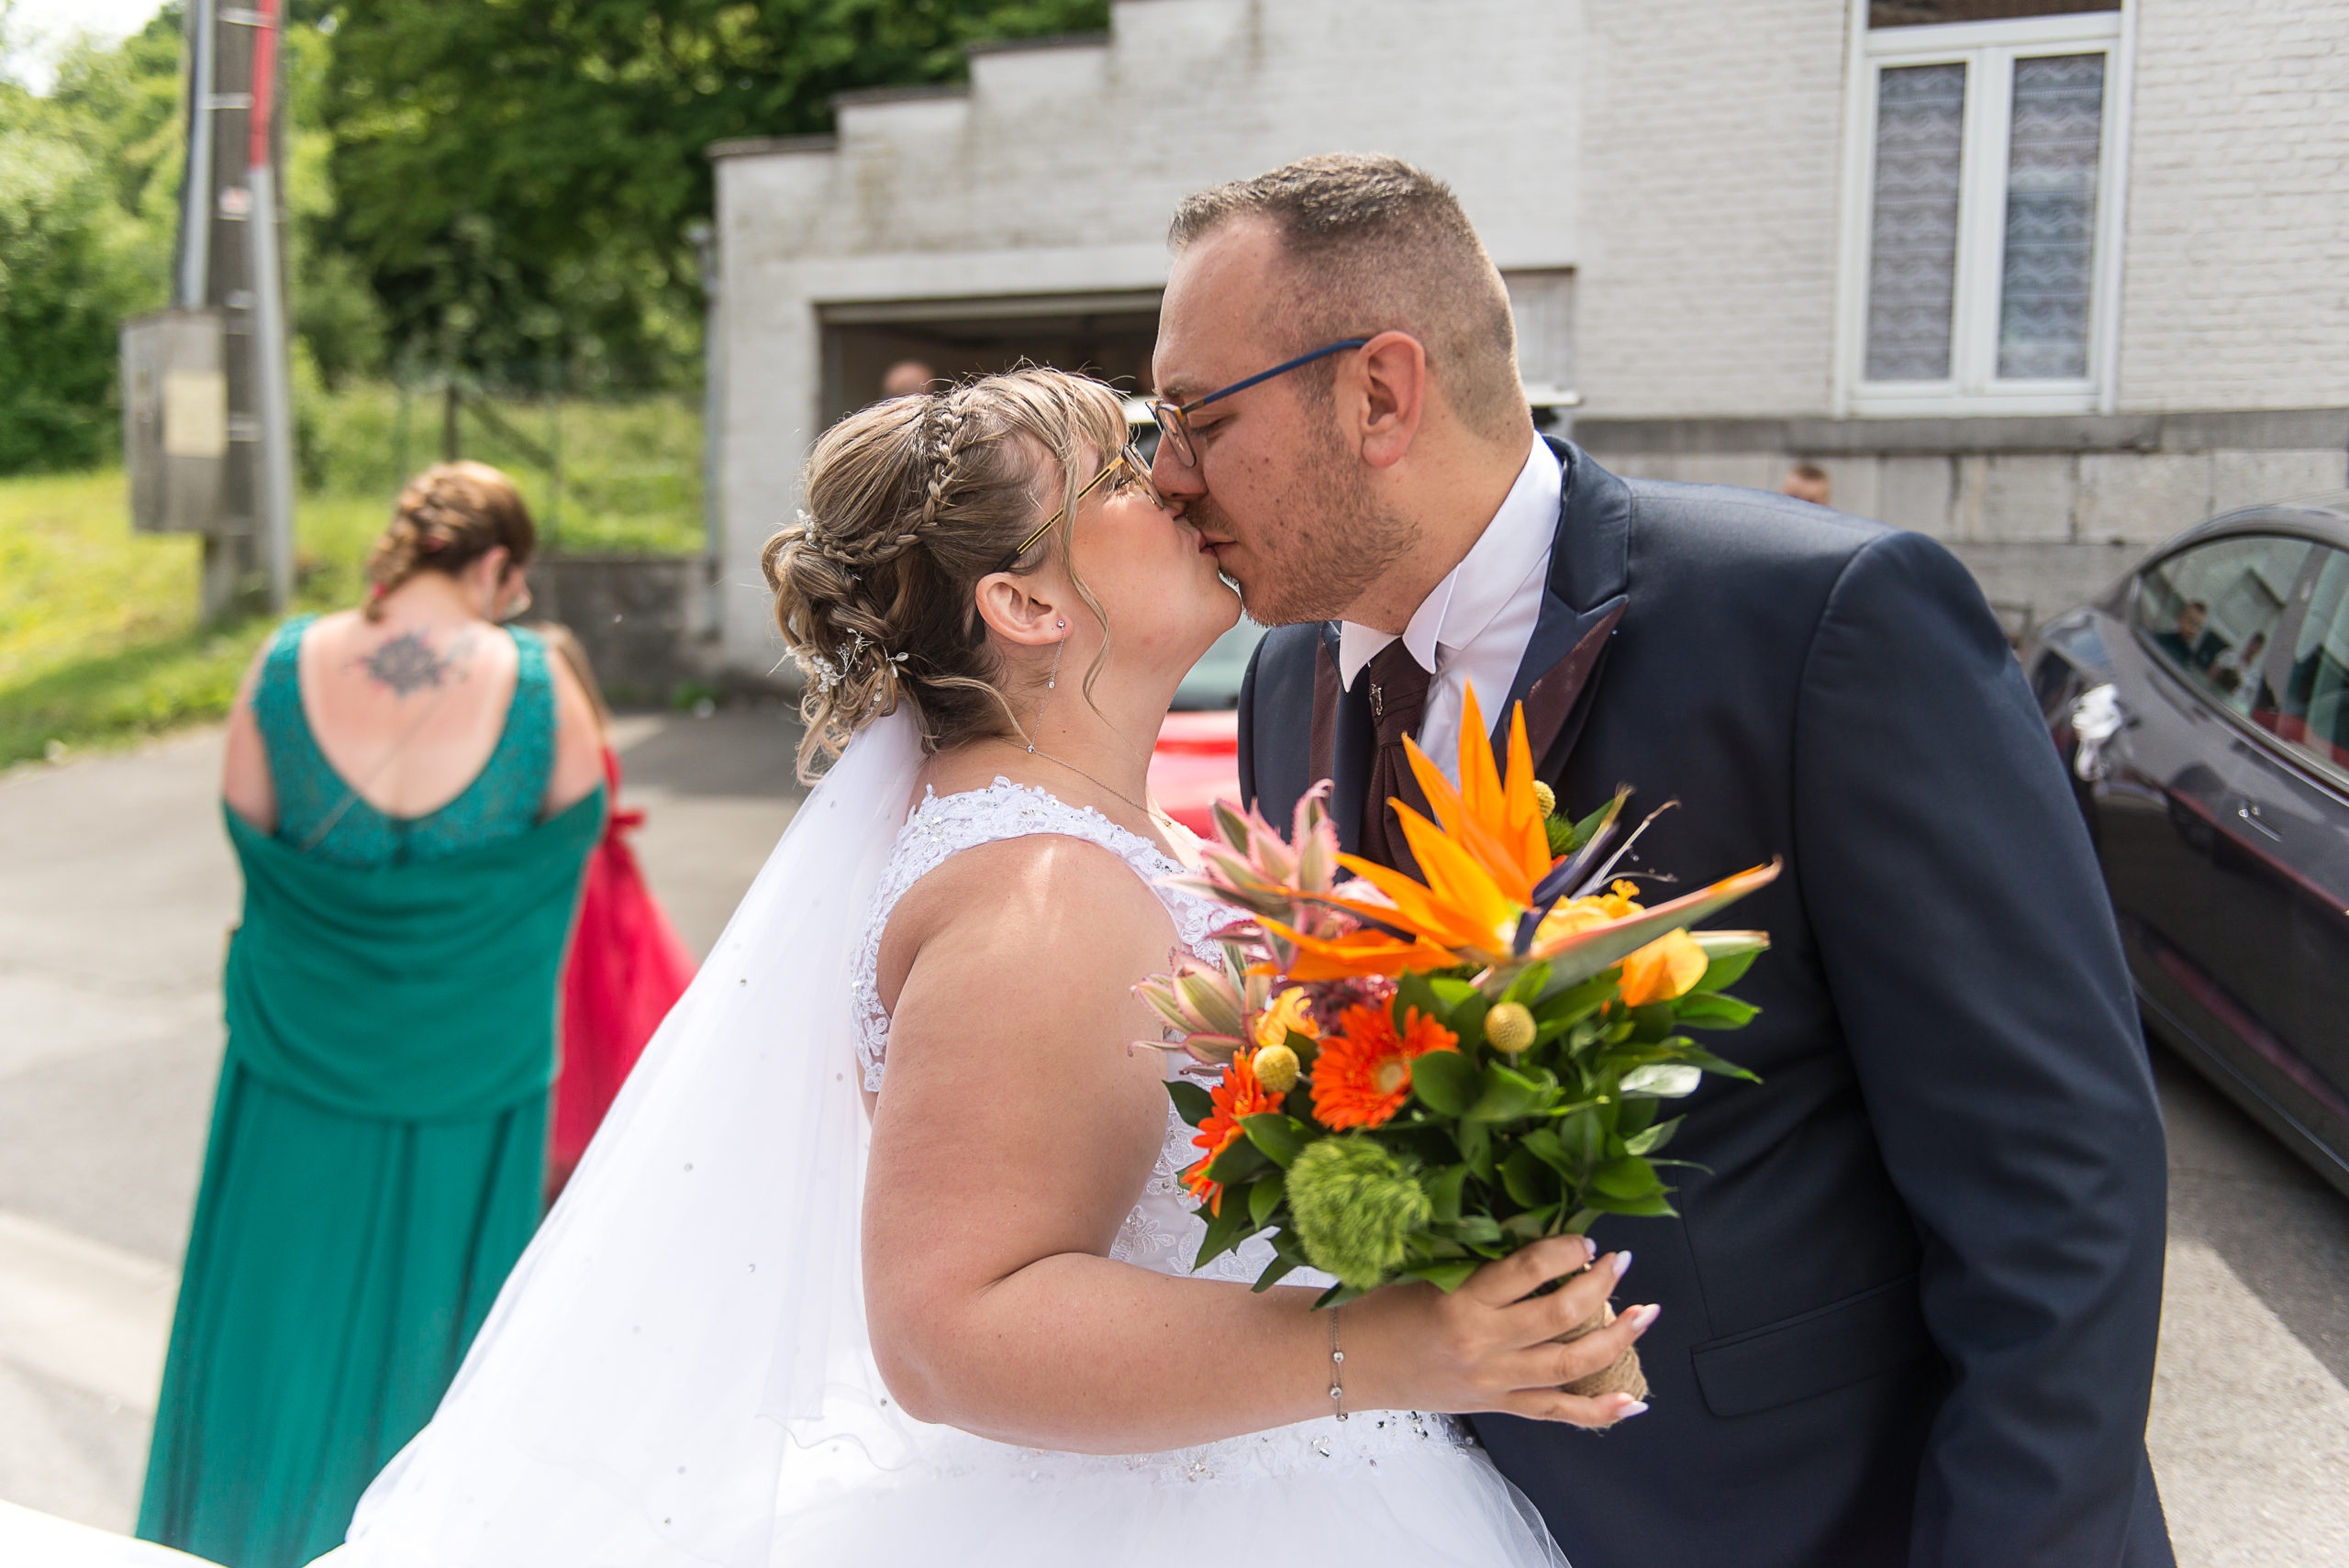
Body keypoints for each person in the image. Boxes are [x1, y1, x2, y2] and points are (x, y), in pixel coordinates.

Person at [306, 370, 1639, 1568]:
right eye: (1119, 473)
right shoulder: (1036, 891)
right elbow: (954, 1326)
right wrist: (1384, 1348)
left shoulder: (1093, 838)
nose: (1178, 480)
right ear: (1024, 602)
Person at [1154, 155, 2174, 1568]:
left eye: (1198, 418)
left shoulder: (1824, 626)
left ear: (1381, 393)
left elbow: (2059, 1185)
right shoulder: (1286, 684)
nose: (1168, 474)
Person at [138, 462, 607, 1568]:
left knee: (270, 1316)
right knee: (432, 1334)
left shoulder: (284, 661)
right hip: (474, 1066)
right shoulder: (539, 685)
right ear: (497, 566)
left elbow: (252, 828)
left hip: (292, 1055)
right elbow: (574, 837)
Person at [531, 623, 697, 1196]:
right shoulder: (593, 732)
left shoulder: (566, 738)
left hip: (583, 882)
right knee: (602, 1003)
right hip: (601, 876)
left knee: (590, 1005)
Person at [2154, 599, 2215, 671]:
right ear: (2180, 618)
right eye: (2191, 622)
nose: (2194, 630)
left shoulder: (2189, 657)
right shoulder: (2160, 640)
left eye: (2198, 627)